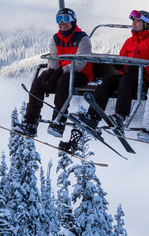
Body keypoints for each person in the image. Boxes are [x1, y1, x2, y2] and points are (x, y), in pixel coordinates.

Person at [81, 10, 149, 130]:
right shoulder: (129, 42)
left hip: (146, 80)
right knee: (107, 81)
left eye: (138, 22)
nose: (134, 24)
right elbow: (123, 60)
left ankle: (121, 116)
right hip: (128, 78)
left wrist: (139, 68)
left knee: (126, 80)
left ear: (146, 25)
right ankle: (93, 116)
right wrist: (119, 65)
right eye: (133, 21)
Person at [17, 7, 93, 139]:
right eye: (59, 20)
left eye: (66, 19)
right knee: (39, 82)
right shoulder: (56, 38)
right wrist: (51, 71)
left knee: (63, 82)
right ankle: (30, 122)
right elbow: (53, 57)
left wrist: (59, 72)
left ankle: (58, 122)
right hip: (61, 71)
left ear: (73, 21)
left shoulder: (82, 39)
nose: (62, 23)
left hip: (81, 73)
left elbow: (80, 63)